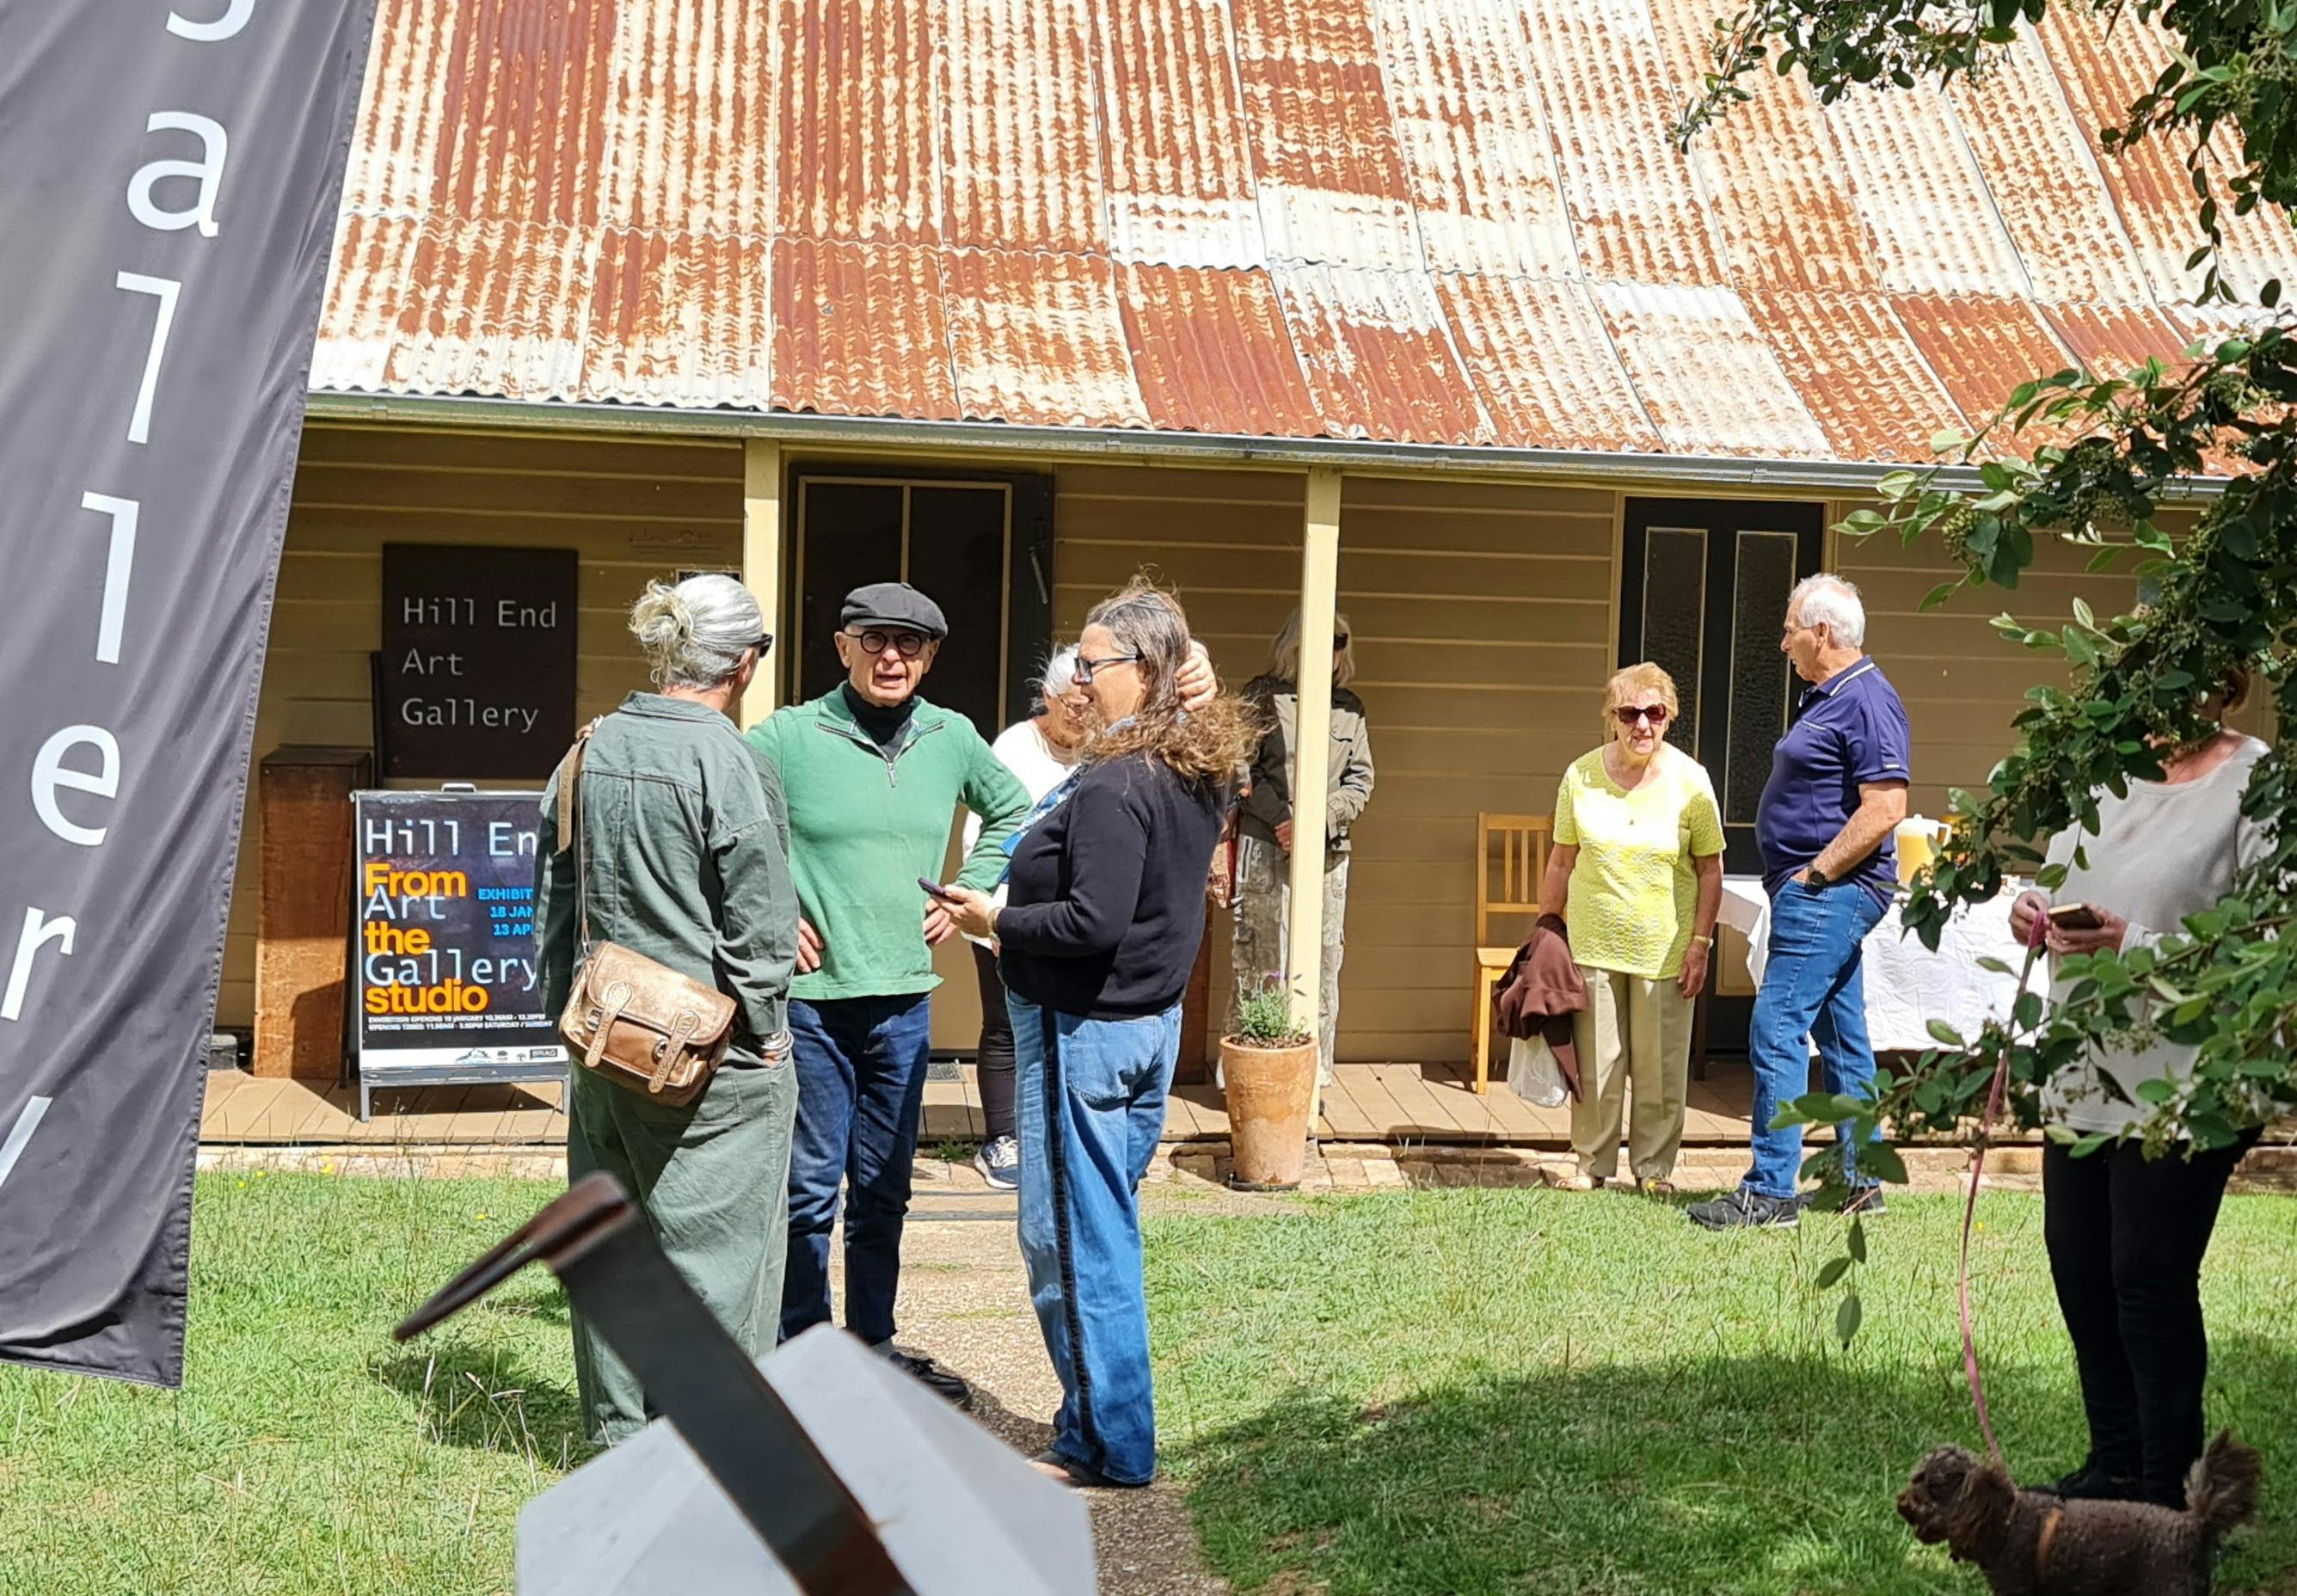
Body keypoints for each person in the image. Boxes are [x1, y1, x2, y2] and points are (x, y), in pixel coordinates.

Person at [942, 578, 1256, 1490]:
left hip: (1084, 1030)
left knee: (1073, 1240)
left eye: (1093, 662)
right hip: (1140, 1030)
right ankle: (1095, 1419)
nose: (1078, 678)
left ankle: (1108, 1444)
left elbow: (1090, 921)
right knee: (1096, 1228)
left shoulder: (1122, 781)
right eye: (1076, 662)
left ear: (1146, 671)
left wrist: (992, 920)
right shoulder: (1190, 766)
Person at [746, 581, 1030, 1408]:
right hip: (812, 1002)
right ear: (842, 646)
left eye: (910, 645)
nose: (891, 657)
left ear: (931, 656)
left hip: (904, 1000)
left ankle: (871, 1345)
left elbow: (1013, 809)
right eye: (873, 640)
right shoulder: (789, 736)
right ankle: (802, 1351)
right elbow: (726, 817)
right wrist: (772, 909)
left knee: (882, 1187)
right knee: (807, 1189)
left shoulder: (952, 737)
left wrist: (965, 890)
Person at [534, 574, 797, 1446]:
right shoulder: (730, 761)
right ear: (744, 663)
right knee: (721, 1264)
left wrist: (561, 1016)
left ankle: (620, 1441)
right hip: (703, 1057)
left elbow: (553, 898)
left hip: (602, 1040)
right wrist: (765, 1036)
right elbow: (760, 924)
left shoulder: (586, 752)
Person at [2008, 670, 2270, 1510]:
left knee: (2147, 1279)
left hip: (2187, 1080)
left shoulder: (2258, 782)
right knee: (2079, 1269)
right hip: (2084, 1066)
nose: (2150, 713)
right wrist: (2033, 908)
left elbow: (2270, 946)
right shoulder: (2106, 770)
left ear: (2221, 687)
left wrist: (2138, 943)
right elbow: (2056, 874)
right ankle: (2113, 1466)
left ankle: (2167, 1499)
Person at [1689, 574, 1909, 1231]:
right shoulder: (1829, 697)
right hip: (1824, 892)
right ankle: (1858, 1182)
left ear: (1821, 632)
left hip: (1831, 893)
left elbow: (1886, 807)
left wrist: (1814, 875)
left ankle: (1770, 1193)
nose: (1782, 642)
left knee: (1776, 1026)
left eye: (1788, 629)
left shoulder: (1866, 698)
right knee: (1841, 1038)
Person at [1538, 663, 1723, 1195]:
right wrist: (1548, 927)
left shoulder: (1692, 781)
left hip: (1665, 949)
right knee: (1597, 1065)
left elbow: (1710, 869)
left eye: (1654, 712)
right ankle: (1592, 1164)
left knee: (1661, 1067)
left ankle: (1655, 1169)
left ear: (1669, 716)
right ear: (1611, 719)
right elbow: (1560, 860)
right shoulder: (1580, 776)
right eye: (1629, 713)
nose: (1642, 724)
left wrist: (1701, 945)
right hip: (1593, 945)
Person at [961, 647, 1091, 1191]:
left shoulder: (1104, 750)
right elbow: (982, 834)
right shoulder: (1015, 747)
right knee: (1005, 1027)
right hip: (1003, 907)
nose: (1082, 716)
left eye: (1090, 703)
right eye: (1071, 706)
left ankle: (1056, 1135)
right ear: (1047, 697)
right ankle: (1001, 1138)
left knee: (1068, 1026)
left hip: (1068, 916)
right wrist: (996, 916)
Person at [1230, 608, 1374, 1085]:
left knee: (1324, 960)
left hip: (1328, 854)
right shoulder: (1261, 695)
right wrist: (1286, 821)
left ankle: (1314, 1077)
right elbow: (1241, 769)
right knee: (1261, 956)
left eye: (1341, 640)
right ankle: (1251, 1073)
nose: (1333, 649)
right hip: (1265, 844)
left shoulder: (1350, 708)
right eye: (1324, 638)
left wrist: (1319, 821)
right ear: (1297, 640)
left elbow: (1361, 779)